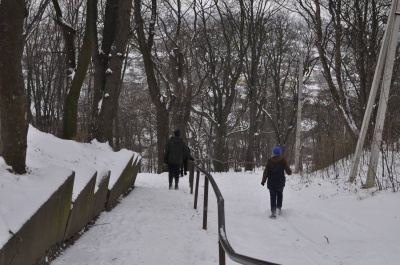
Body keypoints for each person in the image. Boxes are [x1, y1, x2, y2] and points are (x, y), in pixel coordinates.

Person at [261, 146, 292, 218]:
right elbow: (289, 172)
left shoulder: (269, 161)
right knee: (280, 195)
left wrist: (263, 181)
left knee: (272, 196)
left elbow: (266, 172)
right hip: (280, 182)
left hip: (272, 182)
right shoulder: (283, 160)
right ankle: (279, 208)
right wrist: (287, 168)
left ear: (273, 153)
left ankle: (273, 211)